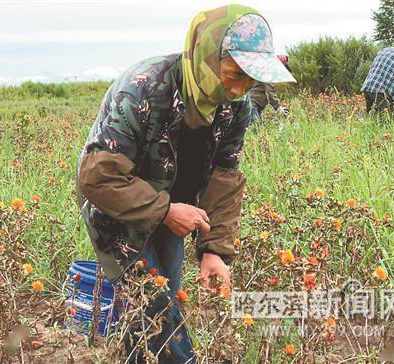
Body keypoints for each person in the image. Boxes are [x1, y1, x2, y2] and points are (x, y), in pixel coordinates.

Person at [75, 4, 295, 362]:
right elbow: (99, 178)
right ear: (207, 55)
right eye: (235, 74)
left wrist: (214, 250)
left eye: (251, 80)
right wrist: (163, 210)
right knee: (156, 307)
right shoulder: (142, 90)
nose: (240, 89)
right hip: (115, 207)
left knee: (167, 297)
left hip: (175, 207)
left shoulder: (236, 106)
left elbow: (224, 176)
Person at [249, 55, 291, 124]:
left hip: (254, 103)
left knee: (257, 128)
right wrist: (277, 107)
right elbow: (270, 91)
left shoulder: (263, 68)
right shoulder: (268, 71)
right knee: (255, 128)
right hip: (252, 103)